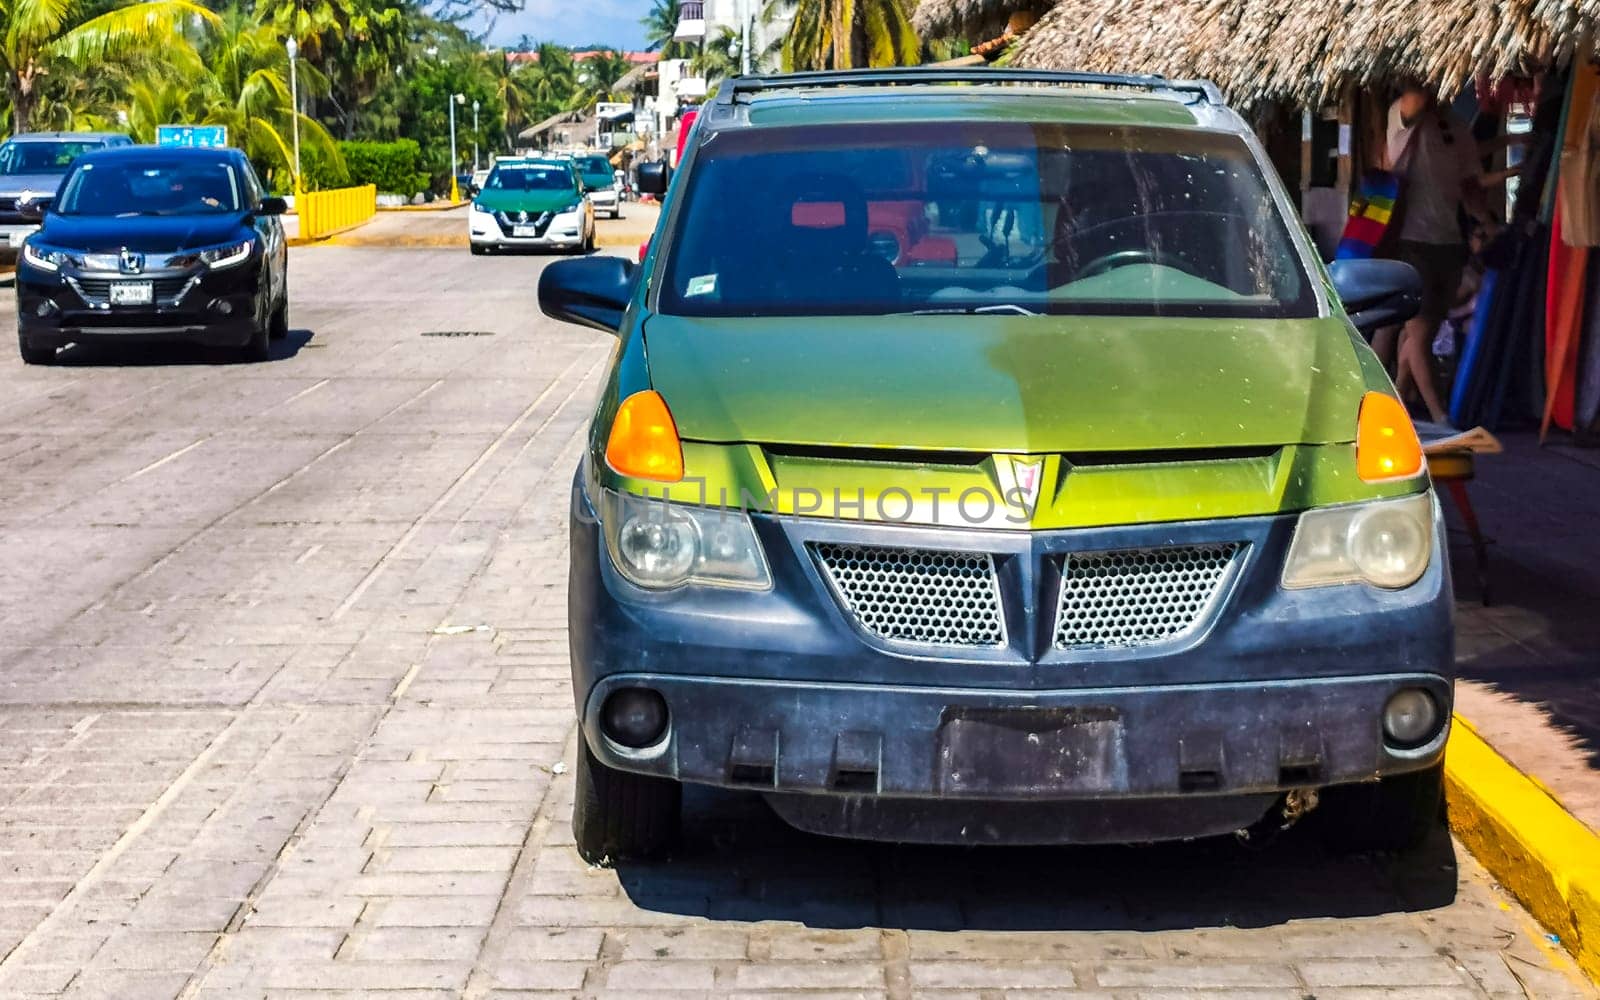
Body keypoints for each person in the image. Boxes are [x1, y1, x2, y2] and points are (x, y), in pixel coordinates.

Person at [1375, 83, 1513, 425]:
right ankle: (1440, 416)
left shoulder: (1457, 127)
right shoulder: (1403, 114)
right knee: (1418, 332)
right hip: (1410, 240)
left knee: (1420, 332)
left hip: (1449, 242)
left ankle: (1396, 402)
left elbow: (1471, 185)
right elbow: (1416, 98)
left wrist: (1488, 224)